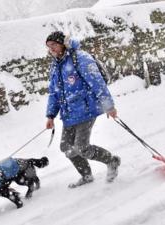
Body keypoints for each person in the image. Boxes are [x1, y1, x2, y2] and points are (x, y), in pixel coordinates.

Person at [44, 31, 121, 188]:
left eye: (53, 45)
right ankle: (86, 175)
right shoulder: (55, 65)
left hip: (86, 110)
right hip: (69, 113)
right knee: (66, 147)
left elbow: (97, 82)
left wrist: (109, 106)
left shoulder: (80, 58)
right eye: (48, 46)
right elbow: (54, 92)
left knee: (82, 147)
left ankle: (111, 161)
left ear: (63, 44)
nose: (50, 49)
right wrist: (51, 115)